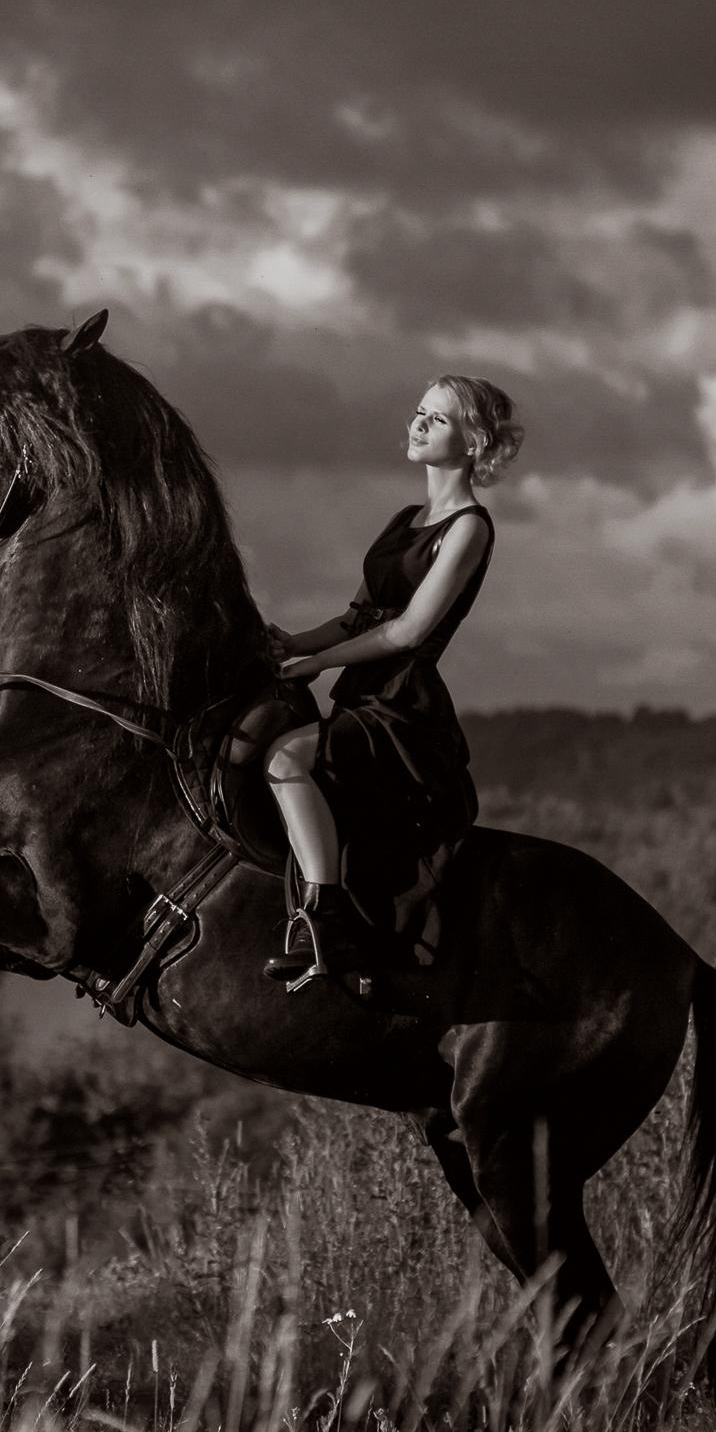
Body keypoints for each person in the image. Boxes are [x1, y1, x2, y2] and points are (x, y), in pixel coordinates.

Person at [242, 375, 523, 991]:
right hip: (361, 692)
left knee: (285, 759)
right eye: (420, 412)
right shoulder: (405, 519)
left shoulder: (469, 528)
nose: (418, 424)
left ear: (474, 442)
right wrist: (293, 643)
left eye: (438, 419)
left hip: (402, 706)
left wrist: (317, 665)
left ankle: (326, 919)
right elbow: (358, 616)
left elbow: (407, 633)